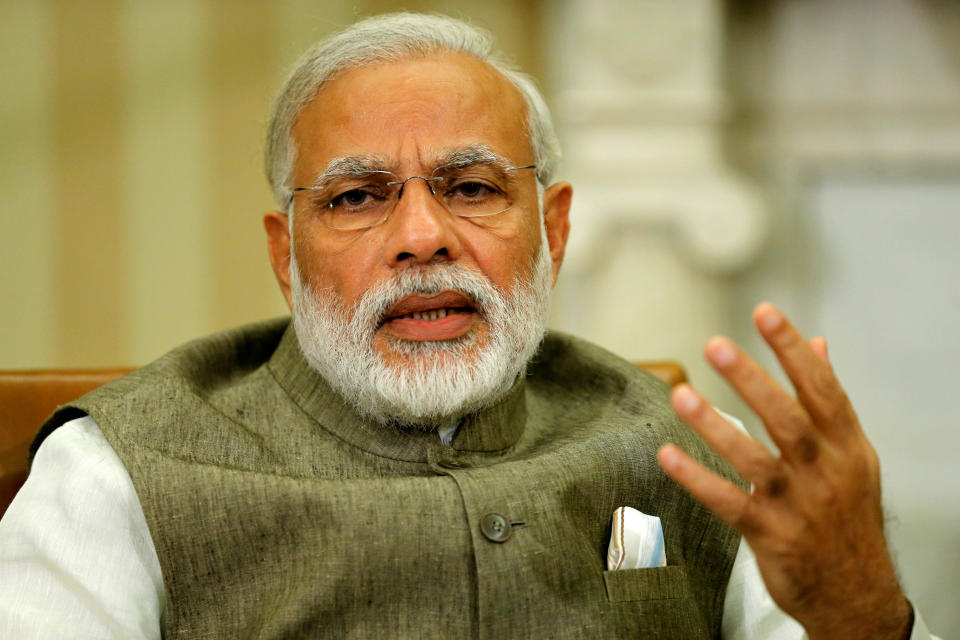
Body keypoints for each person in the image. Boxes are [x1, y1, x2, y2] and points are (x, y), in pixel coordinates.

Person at [0, 12, 940, 640]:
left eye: (473, 187)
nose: (421, 237)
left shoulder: (678, 452)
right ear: (287, 257)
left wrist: (861, 609)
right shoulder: (116, 471)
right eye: (359, 196)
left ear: (554, 230)